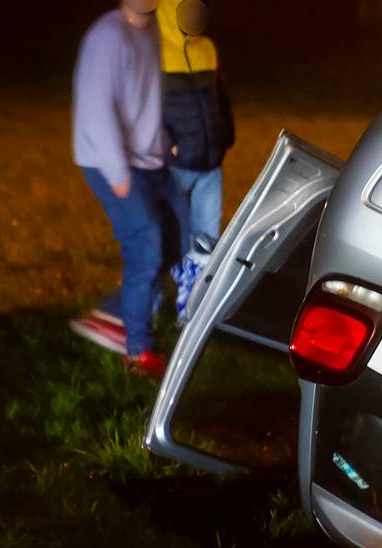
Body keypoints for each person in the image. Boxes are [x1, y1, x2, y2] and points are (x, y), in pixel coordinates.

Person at [70, 0, 189, 377]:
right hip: (111, 161)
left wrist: (165, 139)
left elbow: (148, 95)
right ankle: (138, 352)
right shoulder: (107, 38)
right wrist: (117, 173)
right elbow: (95, 109)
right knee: (147, 245)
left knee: (181, 238)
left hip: (150, 159)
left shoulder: (154, 30)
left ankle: (114, 313)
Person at [158, 0, 234, 325]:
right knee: (167, 239)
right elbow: (141, 107)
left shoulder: (207, 48)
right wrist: (164, 144)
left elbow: (220, 96)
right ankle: (144, 311)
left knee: (206, 244)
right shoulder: (152, 53)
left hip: (209, 164)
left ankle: (193, 312)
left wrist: (225, 135)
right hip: (175, 166)